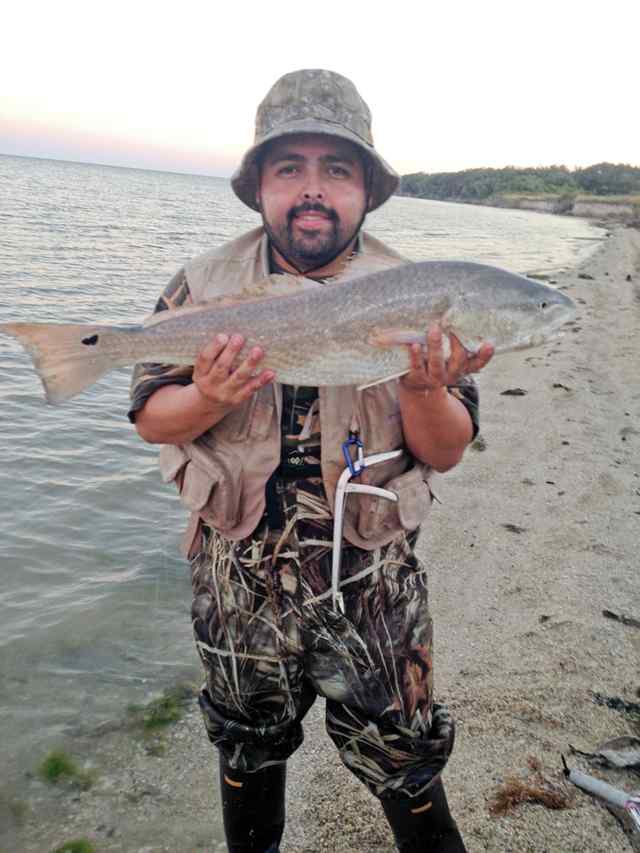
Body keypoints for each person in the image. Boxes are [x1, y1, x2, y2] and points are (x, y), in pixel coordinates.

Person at [129, 69, 493, 853]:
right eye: (289, 167)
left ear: (367, 187)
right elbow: (153, 419)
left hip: (372, 576)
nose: (312, 190)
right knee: (247, 748)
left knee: (408, 759)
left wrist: (426, 387)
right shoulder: (203, 286)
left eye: (337, 169)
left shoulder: (424, 290)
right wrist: (209, 398)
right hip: (236, 577)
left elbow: (448, 449)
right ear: (259, 184)